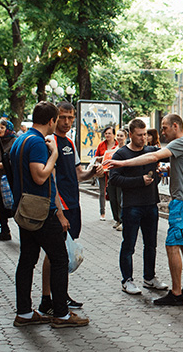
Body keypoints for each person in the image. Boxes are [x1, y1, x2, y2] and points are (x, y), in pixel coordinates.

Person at [106, 114, 183, 306]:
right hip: (182, 202)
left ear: (175, 126)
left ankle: (176, 293)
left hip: (181, 204)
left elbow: (154, 156)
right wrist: (164, 173)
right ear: (131, 134)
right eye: (140, 134)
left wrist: (123, 164)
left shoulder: (179, 143)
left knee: (171, 246)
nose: (161, 132)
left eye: (164, 127)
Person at [9, 101, 88, 328]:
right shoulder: (37, 142)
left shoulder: (21, 139)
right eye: (59, 119)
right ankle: (61, 314)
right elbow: (41, 176)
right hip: (41, 212)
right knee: (59, 259)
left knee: (27, 260)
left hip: (25, 209)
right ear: (51, 120)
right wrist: (53, 154)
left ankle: (24, 312)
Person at [36, 102, 101, 312]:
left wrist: (93, 172)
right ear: (54, 119)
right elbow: (51, 180)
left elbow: (78, 174)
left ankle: (60, 295)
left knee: (62, 254)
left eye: (70, 118)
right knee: (54, 254)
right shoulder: (49, 142)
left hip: (73, 205)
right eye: (62, 117)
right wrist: (59, 212)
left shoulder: (70, 143)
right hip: (60, 208)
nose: (66, 122)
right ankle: (48, 299)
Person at [109, 118, 166, 295]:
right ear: (130, 134)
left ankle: (149, 277)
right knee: (129, 244)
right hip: (132, 206)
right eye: (139, 135)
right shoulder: (121, 154)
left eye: (145, 134)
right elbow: (114, 179)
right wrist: (139, 181)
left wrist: (158, 175)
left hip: (151, 203)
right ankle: (127, 280)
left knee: (151, 244)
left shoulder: (151, 151)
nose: (143, 138)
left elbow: (168, 156)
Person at [95, 126, 117, 221]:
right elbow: (96, 157)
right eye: (106, 133)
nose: (107, 135)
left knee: (113, 193)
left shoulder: (117, 145)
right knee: (102, 192)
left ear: (113, 135)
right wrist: (100, 159)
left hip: (113, 171)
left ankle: (115, 214)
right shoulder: (101, 145)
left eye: (109, 133)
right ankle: (102, 213)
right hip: (103, 171)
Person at [106, 129, 126, 230]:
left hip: (121, 177)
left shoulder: (127, 149)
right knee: (113, 199)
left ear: (126, 137)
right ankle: (117, 219)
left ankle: (122, 220)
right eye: (118, 135)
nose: (119, 138)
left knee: (119, 199)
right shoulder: (113, 149)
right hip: (112, 177)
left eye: (121, 136)